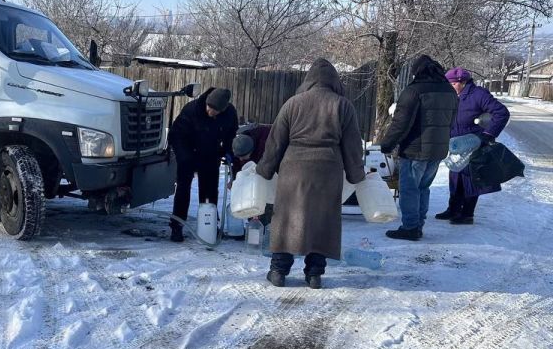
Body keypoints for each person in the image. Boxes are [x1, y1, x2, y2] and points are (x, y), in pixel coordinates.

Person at [256, 59, 365, 289]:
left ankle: (278, 270)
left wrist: (265, 169)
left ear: (308, 80)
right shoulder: (343, 106)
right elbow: (353, 146)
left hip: (293, 170)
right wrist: (357, 175)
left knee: (286, 219)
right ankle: (314, 274)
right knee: (322, 220)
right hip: (327, 170)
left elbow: (275, 141)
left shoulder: (292, 104)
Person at [378, 54, 457, 241]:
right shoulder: (449, 91)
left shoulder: (414, 91)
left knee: (410, 189)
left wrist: (387, 144)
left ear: (417, 72)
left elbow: (400, 123)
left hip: (415, 150)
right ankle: (418, 224)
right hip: (437, 151)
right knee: (423, 188)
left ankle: (410, 227)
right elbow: (451, 122)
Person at [437, 68, 510, 224]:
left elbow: (502, 113)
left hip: (473, 143)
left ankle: (467, 214)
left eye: (452, 83)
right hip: (456, 144)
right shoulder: (452, 95)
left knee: (470, 179)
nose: (449, 86)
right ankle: (453, 209)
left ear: (462, 82)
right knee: (456, 176)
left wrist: (488, 134)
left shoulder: (478, 94)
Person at [167, 87, 238, 242]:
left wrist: (227, 151)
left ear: (223, 109)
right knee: (183, 188)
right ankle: (177, 225)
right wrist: (184, 156)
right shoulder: (192, 110)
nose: (209, 112)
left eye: (214, 110)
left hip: (211, 153)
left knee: (210, 190)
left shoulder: (230, 114)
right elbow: (176, 135)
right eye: (209, 107)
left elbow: (230, 135)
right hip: (188, 151)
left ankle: (210, 224)